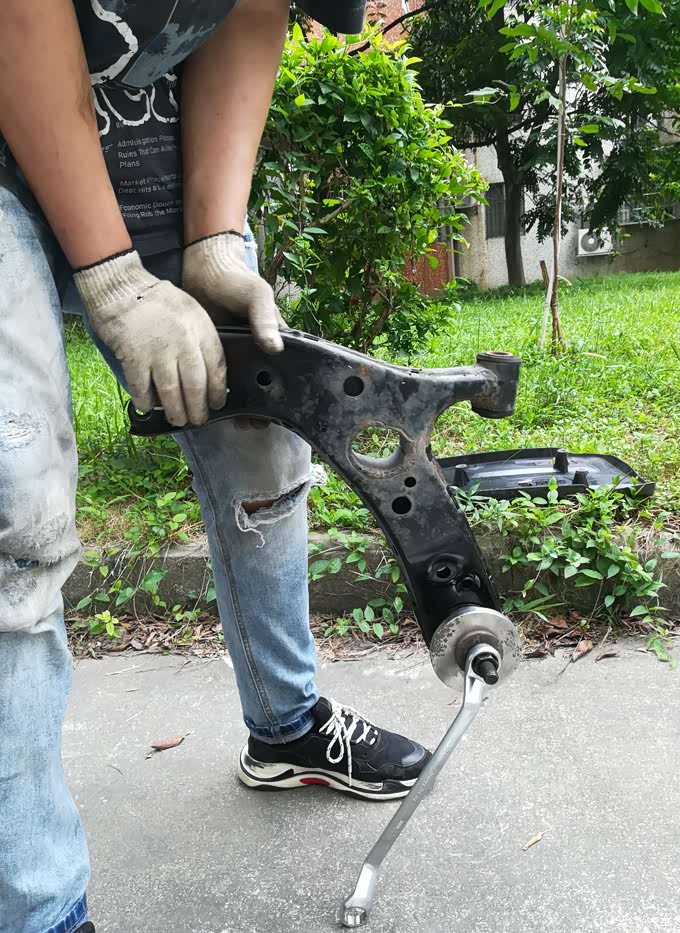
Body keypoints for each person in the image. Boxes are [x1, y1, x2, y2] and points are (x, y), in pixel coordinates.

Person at [0, 2, 431, 931]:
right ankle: (38, 907)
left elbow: (247, 6)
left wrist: (214, 241)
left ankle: (286, 727)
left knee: (261, 420)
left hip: (144, 151)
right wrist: (114, 278)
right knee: (12, 503)